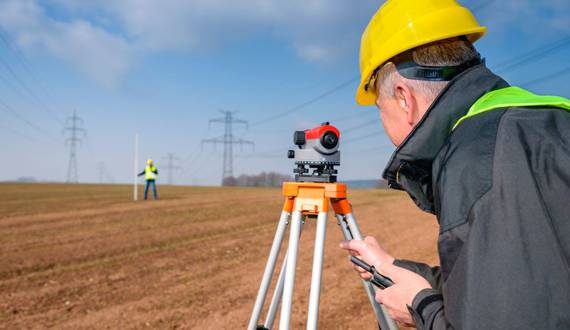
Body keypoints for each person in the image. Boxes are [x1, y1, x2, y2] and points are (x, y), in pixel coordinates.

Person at [339, 0, 570, 329]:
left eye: (379, 106)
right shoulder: (540, 121)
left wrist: (421, 307)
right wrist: (395, 267)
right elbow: (516, 285)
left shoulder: (479, 161)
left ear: (404, 98)